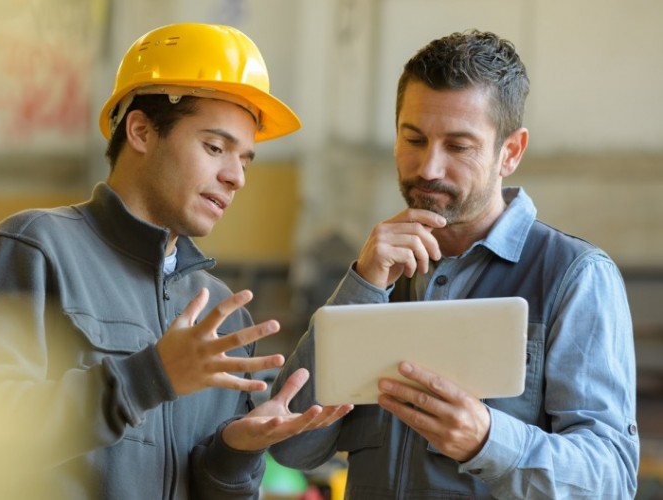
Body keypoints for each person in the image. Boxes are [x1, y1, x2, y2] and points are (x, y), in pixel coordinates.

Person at [0, 23, 352, 499]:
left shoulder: (221, 313)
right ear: (140, 130)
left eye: (246, 159)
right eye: (215, 147)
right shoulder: (34, 250)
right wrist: (149, 377)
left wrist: (235, 455)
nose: (235, 176)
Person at [269, 30, 640, 498]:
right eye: (414, 138)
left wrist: (488, 440)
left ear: (511, 152)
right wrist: (362, 286)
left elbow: (611, 480)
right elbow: (291, 447)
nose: (428, 168)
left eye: (459, 146)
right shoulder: (378, 275)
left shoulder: (574, 277)